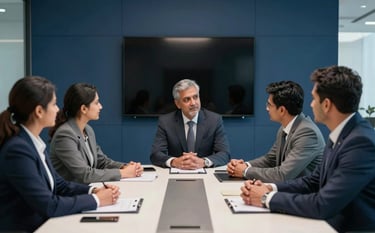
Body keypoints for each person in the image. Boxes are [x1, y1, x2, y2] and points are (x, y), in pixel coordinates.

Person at [240, 66, 375, 233]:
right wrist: (271, 188)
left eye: (313, 99)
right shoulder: (342, 134)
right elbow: (312, 181)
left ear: (326, 105)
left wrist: (266, 197)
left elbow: (324, 204)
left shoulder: (360, 142)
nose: (310, 104)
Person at [0, 76, 120, 232]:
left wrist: (93, 190)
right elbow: (49, 205)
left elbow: (60, 185)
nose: (58, 109)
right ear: (39, 111)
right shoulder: (17, 150)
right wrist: (96, 200)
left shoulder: (32, 143)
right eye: (54, 104)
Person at [227, 81, 324, 182]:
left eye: (269, 105)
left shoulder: (307, 133)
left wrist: (245, 171)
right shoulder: (285, 128)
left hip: (305, 195)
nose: (266, 108)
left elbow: (283, 175)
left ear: (282, 110)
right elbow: (270, 159)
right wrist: (244, 165)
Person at [49, 83, 143, 184]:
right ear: (84, 109)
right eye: (97, 103)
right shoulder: (64, 135)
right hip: (69, 196)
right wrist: (123, 173)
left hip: (87, 191)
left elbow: (101, 162)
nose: (101, 106)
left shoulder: (88, 130)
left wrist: (126, 167)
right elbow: (85, 174)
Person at [150, 79, 230, 169]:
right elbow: (155, 154)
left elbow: (224, 154)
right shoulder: (166, 122)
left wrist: (204, 162)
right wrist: (174, 162)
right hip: (176, 173)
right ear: (178, 104)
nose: (193, 103)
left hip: (205, 173)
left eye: (195, 97)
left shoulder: (214, 120)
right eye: (187, 99)